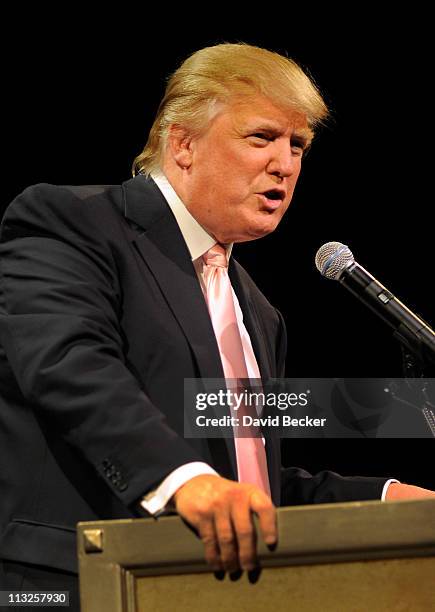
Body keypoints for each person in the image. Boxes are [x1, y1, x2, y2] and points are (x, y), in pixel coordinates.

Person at [0, 43, 434, 605]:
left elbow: (249, 483)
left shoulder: (258, 309)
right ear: (183, 143)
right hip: (74, 585)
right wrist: (185, 481)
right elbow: (71, 368)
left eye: (298, 144)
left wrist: (384, 497)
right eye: (262, 138)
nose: (286, 164)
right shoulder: (74, 223)